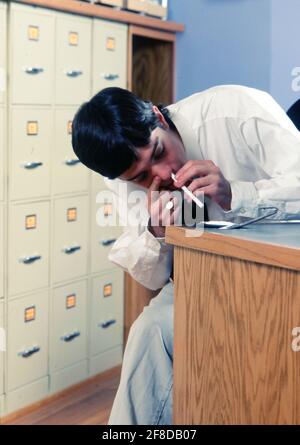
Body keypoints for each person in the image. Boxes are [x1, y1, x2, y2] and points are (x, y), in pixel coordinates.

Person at [72, 85, 300, 425]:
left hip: (285, 275)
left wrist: (237, 194)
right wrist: (157, 234)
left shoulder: (234, 110)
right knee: (149, 331)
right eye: (142, 177)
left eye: (159, 153)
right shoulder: (124, 182)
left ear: (159, 117)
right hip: (207, 277)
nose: (162, 175)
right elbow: (151, 277)